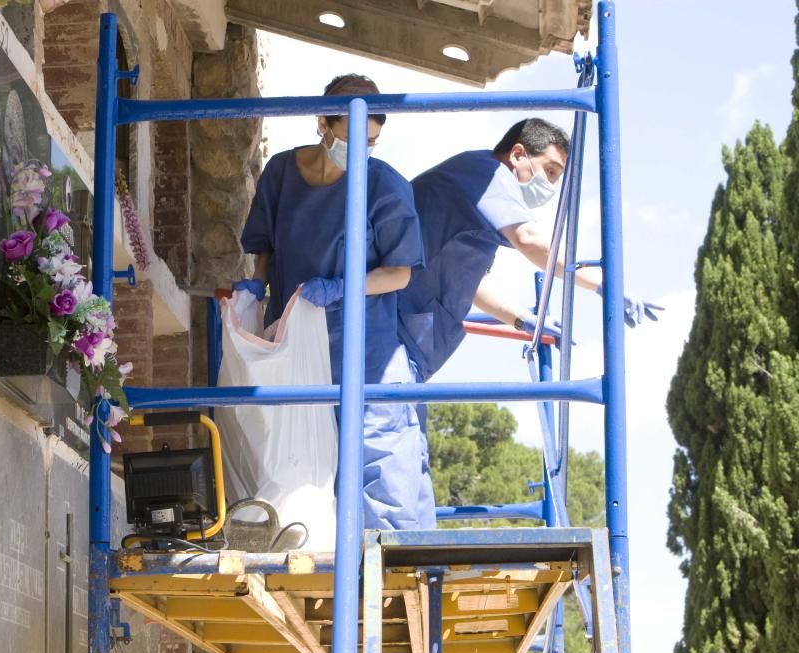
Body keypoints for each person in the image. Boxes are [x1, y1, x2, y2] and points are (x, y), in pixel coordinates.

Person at [233, 74, 436, 531]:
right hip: (298, 348)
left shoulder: (384, 184)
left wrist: (341, 287)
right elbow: (266, 248)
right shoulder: (281, 174)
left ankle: (387, 585)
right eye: (352, 134)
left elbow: (400, 272)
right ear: (321, 120)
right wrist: (254, 286)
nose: (361, 148)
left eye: (372, 140)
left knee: (381, 476)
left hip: (367, 353)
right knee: (301, 472)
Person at [398, 118, 662, 382]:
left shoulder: (476, 204)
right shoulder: (487, 175)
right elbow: (530, 239)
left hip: (406, 343)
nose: (552, 187)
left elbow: (470, 282)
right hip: (391, 336)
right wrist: (604, 284)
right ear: (517, 154)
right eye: (550, 171)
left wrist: (522, 319)